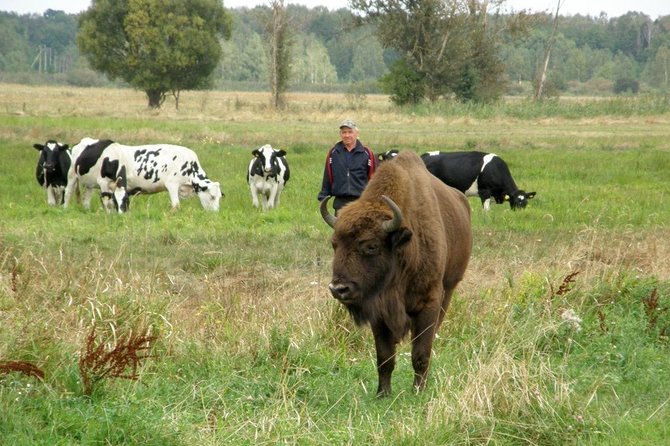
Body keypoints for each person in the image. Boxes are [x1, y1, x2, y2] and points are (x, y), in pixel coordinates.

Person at [317, 119, 376, 215]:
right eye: (344, 132)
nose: (347, 135)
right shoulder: (333, 153)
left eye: (350, 132)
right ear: (340, 134)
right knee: (341, 230)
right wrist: (323, 197)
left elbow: (373, 178)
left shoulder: (367, 154)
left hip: (361, 202)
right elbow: (328, 176)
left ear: (356, 133)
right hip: (340, 203)